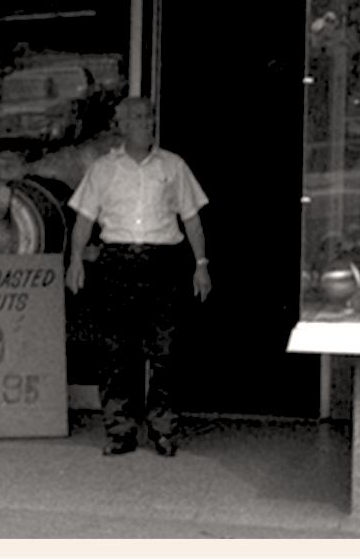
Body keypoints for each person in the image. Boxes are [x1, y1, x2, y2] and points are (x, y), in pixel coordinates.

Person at [66, 96, 211, 457]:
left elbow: (191, 218)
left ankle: (162, 429)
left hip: (161, 261)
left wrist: (201, 264)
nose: (148, 123)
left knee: (165, 349)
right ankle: (120, 430)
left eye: (150, 117)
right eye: (139, 118)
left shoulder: (173, 166)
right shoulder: (103, 169)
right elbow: (84, 218)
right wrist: (75, 261)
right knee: (115, 351)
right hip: (116, 262)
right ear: (122, 126)